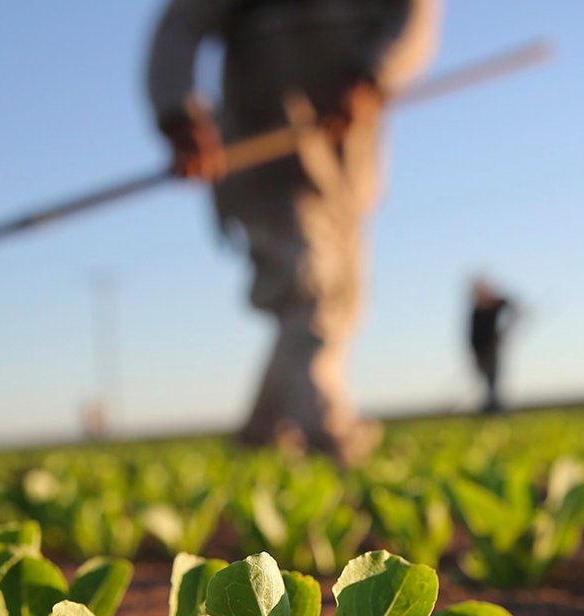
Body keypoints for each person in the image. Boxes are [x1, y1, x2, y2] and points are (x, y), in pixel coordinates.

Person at [146, 0, 442, 464]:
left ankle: (259, 434)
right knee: (311, 291)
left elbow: (413, 20)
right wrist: (179, 114)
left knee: (339, 301)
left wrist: (372, 74)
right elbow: (182, 23)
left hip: (345, 164)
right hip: (265, 157)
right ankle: (329, 430)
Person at [467, 276, 519, 413]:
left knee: (493, 379)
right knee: (487, 381)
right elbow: (474, 336)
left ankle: (494, 408)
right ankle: (491, 406)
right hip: (480, 351)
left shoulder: (495, 304)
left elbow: (514, 309)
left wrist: (505, 331)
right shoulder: (476, 311)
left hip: (492, 349)